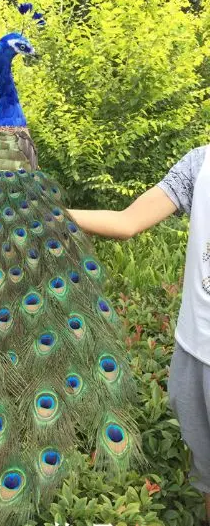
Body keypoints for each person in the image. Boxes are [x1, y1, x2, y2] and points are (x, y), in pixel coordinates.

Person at [69, 145, 210, 523]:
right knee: (207, 475)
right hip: (193, 352)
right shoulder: (200, 164)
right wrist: (48, 213)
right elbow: (127, 222)